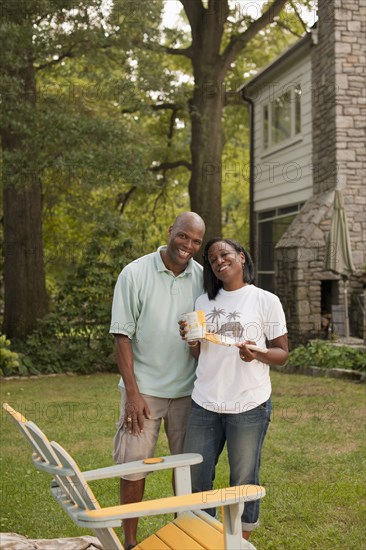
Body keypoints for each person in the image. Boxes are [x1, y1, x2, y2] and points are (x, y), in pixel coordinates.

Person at [180, 237, 288, 542]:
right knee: (197, 477)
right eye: (212, 259)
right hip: (205, 403)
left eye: (224, 254)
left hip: (249, 404)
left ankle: (239, 543)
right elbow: (199, 354)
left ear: (241, 257)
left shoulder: (266, 300)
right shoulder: (203, 302)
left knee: (243, 480)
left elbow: (281, 353)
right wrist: (191, 341)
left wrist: (257, 353)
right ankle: (203, 538)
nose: (218, 261)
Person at [110, 211, 205, 550]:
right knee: (133, 468)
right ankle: (131, 541)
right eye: (183, 237)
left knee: (187, 470)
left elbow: (201, 341)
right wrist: (133, 394)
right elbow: (122, 337)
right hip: (144, 392)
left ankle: (185, 536)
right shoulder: (134, 273)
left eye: (196, 241)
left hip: (188, 393)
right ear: (170, 232)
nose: (188, 246)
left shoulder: (203, 279)